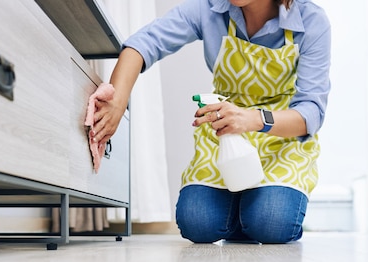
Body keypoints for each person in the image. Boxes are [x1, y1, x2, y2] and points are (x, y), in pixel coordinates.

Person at [89, 0, 331, 244]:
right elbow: (142, 44)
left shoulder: (310, 21)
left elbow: (311, 112)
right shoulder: (209, 9)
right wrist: (117, 101)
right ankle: (245, 213)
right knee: (197, 222)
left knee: (270, 223)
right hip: (224, 137)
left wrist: (253, 118)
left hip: (279, 141)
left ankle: (261, 214)